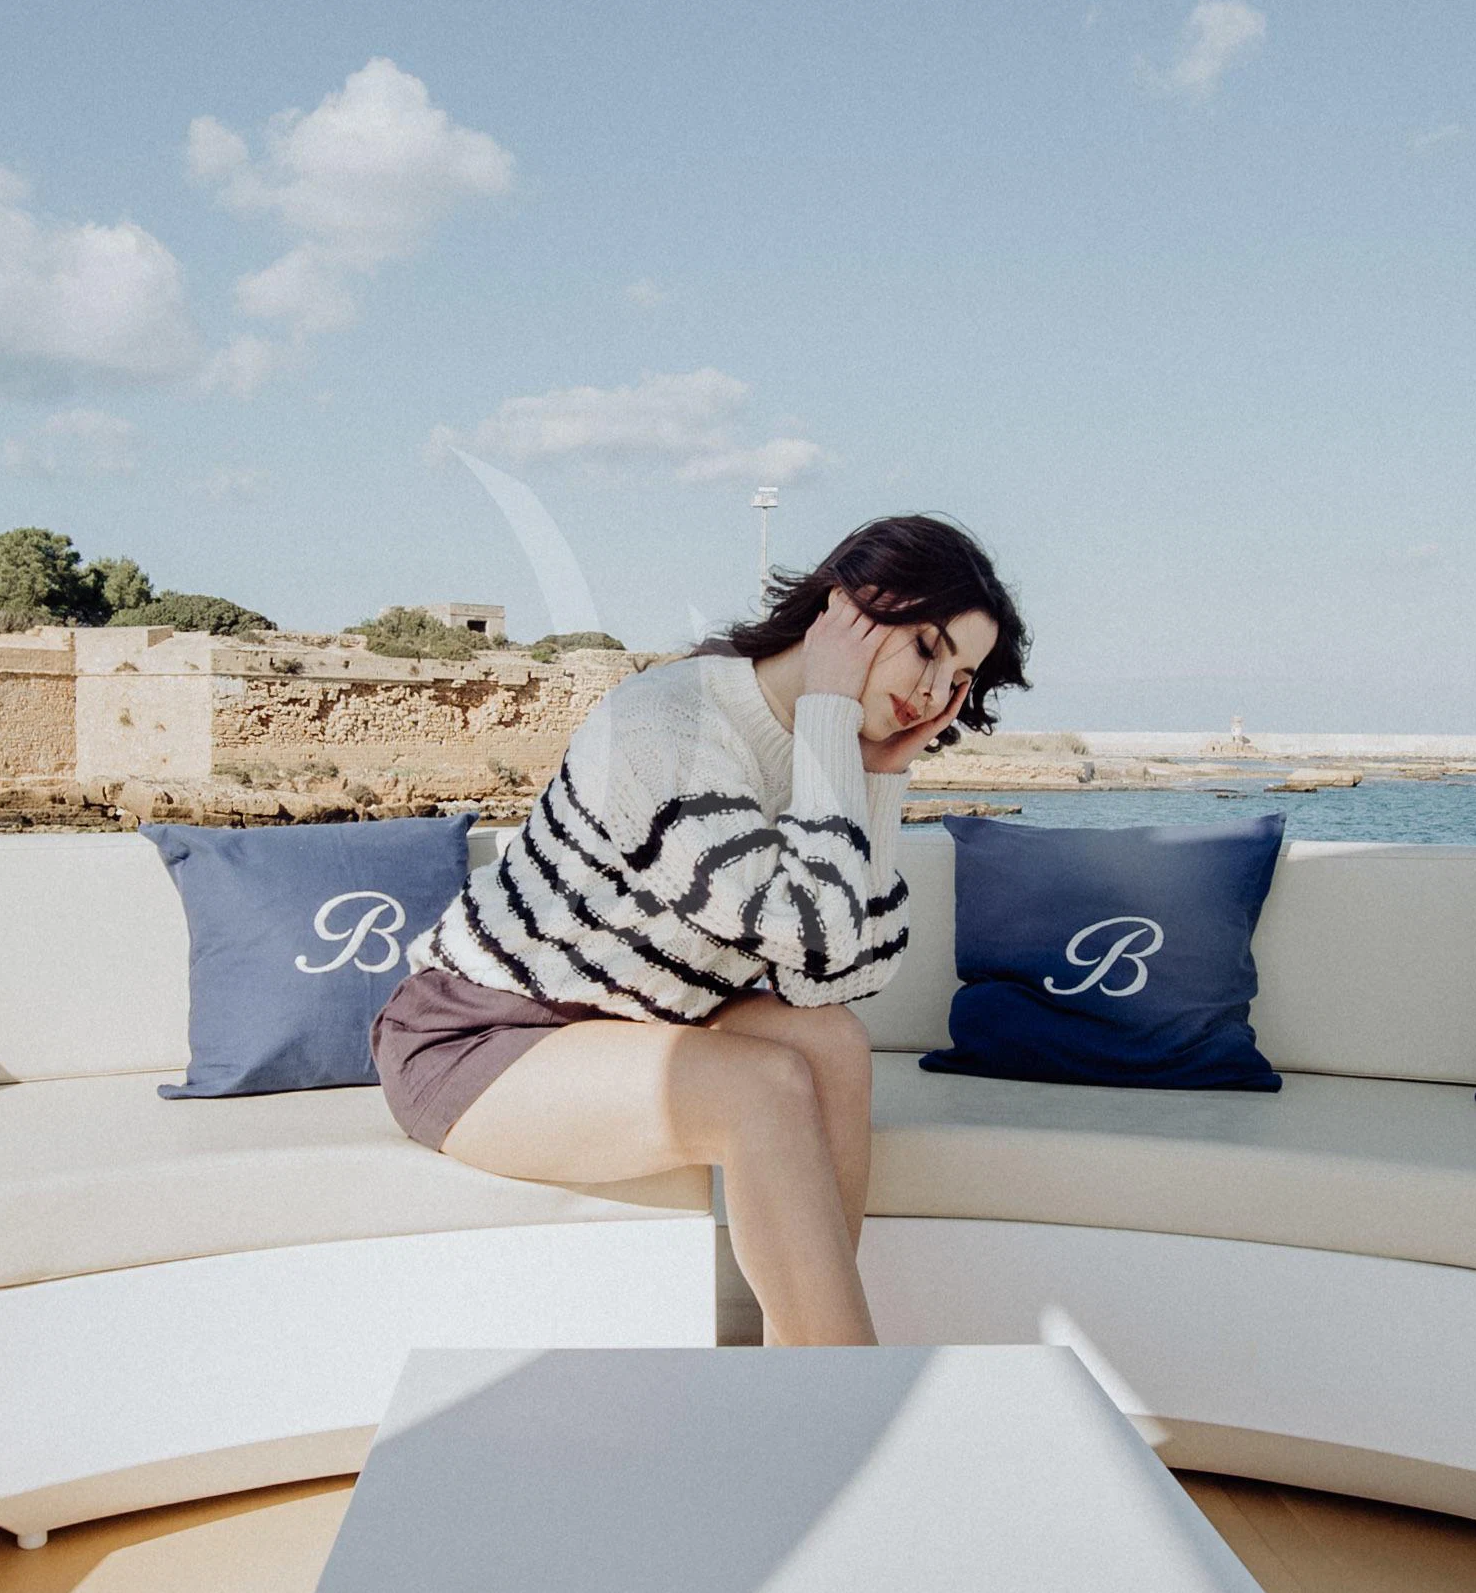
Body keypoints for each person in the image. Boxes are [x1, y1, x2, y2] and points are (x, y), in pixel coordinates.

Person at [371, 514, 1027, 1345]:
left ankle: (801, 1369)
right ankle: (850, 1384)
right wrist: (835, 724)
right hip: (477, 1034)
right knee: (761, 1088)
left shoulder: (825, 750)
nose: (934, 694)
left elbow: (836, 977)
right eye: (927, 647)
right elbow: (814, 935)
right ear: (846, 608)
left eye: (960, 677)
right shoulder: (671, 726)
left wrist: (879, 774)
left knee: (831, 1042)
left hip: (627, 1023)